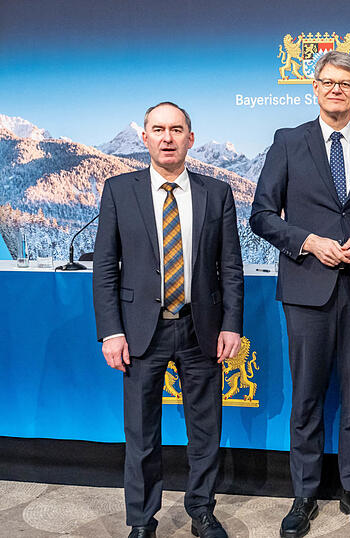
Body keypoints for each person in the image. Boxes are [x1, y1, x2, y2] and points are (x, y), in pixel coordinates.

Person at [250, 51, 350, 536]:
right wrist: (308, 241)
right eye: (328, 82)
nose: (337, 89)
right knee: (307, 398)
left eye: (346, 83)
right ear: (314, 88)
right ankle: (303, 495)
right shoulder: (288, 142)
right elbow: (262, 214)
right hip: (307, 289)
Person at [93, 101, 243, 538]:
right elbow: (106, 267)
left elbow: (229, 267)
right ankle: (142, 521)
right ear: (144, 138)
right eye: (158, 129)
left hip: (203, 329)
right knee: (142, 435)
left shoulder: (217, 193)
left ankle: (201, 511)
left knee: (206, 431)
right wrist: (111, 331)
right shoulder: (119, 190)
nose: (167, 137)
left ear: (190, 138)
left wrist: (231, 324)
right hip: (142, 332)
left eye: (176, 129)